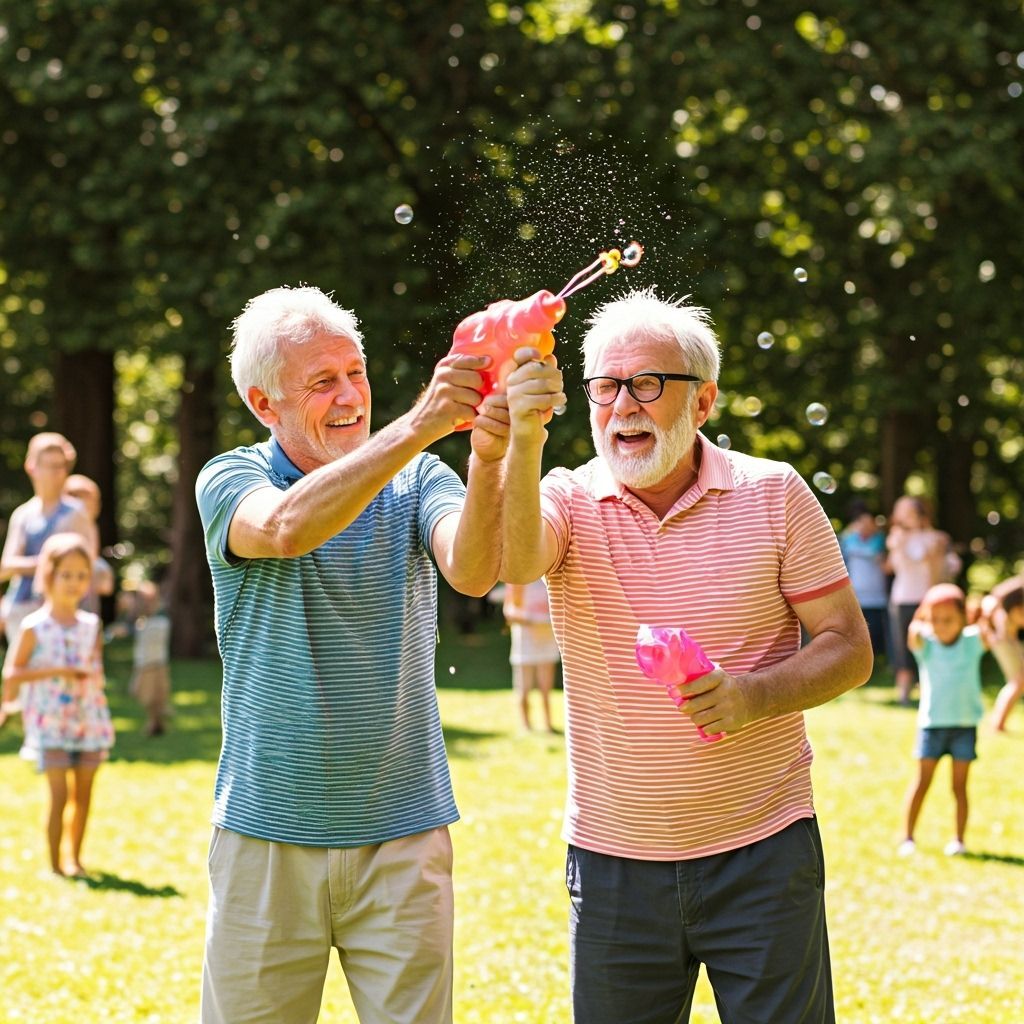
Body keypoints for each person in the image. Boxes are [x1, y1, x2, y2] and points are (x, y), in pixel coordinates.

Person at [500, 288, 873, 1024]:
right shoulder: (566, 498)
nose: (622, 405)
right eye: (605, 386)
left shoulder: (774, 494)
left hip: (763, 854)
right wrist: (522, 436)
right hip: (613, 863)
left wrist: (751, 696)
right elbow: (511, 561)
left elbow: (850, 648)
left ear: (703, 402)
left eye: (647, 383)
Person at [195, 285, 510, 1024]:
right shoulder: (232, 478)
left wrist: (491, 458)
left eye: (356, 372)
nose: (350, 396)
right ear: (263, 404)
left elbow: (472, 569)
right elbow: (283, 530)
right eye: (322, 381)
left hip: (403, 835)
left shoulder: (420, 477)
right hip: (266, 835)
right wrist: (420, 425)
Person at [1, 533, 114, 876]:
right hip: (51, 723)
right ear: (48, 576)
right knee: (59, 795)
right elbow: (12, 672)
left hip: (88, 721)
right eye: (66, 574)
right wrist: (58, 671)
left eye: (82, 575)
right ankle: (54, 865)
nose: (74, 583)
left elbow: (96, 671)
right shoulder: (35, 626)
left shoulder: (91, 626)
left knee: (84, 795)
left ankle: (75, 859)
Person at [898, 583, 987, 857]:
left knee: (959, 787)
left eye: (948, 619)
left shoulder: (973, 642)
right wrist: (924, 615)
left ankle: (959, 840)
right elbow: (914, 631)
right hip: (931, 726)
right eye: (934, 619)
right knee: (922, 782)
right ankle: (907, 838)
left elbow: (991, 620)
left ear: (963, 618)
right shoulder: (927, 645)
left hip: (964, 727)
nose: (940, 626)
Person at [1, 433, 95, 646]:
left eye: (62, 466)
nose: (58, 473)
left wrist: (31, 564)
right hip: (21, 609)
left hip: (62, 611)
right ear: (32, 467)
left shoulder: (75, 512)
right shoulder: (23, 514)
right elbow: (5, 567)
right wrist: (50, 561)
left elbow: (85, 563)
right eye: (51, 465)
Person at [886, 495, 949, 705]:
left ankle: (928, 692)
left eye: (908, 511)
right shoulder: (896, 538)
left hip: (923, 596)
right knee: (902, 647)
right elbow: (892, 567)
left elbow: (935, 569)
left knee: (926, 646)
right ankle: (903, 693)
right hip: (901, 597)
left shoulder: (933, 538)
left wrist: (932, 597)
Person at [503, 577, 560, 732]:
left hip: (546, 638)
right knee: (523, 686)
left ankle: (548, 725)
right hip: (525, 638)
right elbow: (509, 611)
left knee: (546, 686)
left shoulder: (550, 576)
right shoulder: (518, 578)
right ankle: (525, 726)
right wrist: (531, 619)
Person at [839, 499, 890, 661]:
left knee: (875, 629)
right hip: (856, 593)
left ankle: (875, 661)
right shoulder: (848, 538)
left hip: (876, 593)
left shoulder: (879, 539)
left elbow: (873, 552)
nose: (865, 526)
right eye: (861, 522)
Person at [62, 473, 116, 614]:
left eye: (93, 503)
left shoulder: (91, 526)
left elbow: (104, 584)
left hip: (86, 606)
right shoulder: (62, 528)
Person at [979, 574, 1024, 733]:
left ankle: (999, 723)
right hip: (1002, 639)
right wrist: (992, 620)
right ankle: (998, 724)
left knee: (1018, 681)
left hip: (1009, 639)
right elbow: (992, 598)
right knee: (1018, 682)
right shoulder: (1017, 587)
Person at [129, 580, 172, 736]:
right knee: (146, 696)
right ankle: (156, 722)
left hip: (154, 663)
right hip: (145, 662)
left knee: (153, 697)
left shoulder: (159, 620)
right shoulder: (145, 620)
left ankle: (155, 723)